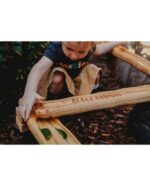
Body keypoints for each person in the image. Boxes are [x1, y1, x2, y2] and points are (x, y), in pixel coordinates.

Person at [19, 41, 125, 121]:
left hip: (75, 80)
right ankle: (56, 101)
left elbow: (101, 49)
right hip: (58, 83)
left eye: (81, 52)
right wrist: (29, 93)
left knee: (93, 70)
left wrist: (119, 41)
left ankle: (79, 101)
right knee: (57, 77)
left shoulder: (89, 44)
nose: (74, 56)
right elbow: (39, 67)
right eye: (69, 49)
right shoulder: (56, 47)